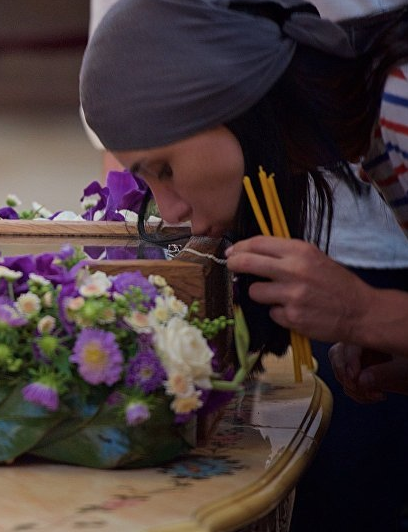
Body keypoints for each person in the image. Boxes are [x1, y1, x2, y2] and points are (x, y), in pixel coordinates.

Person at [80, 1, 408, 530]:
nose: (170, 212)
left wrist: (365, 311)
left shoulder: (400, 102)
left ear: (232, 103)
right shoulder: (373, 137)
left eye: (165, 169)